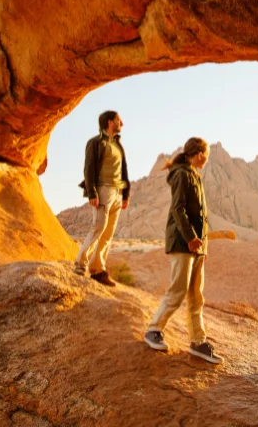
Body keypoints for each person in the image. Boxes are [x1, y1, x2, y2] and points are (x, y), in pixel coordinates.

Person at [143, 137, 222, 364]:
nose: (206, 159)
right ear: (197, 153)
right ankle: (153, 330)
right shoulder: (181, 175)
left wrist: (202, 245)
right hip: (182, 243)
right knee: (177, 291)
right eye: (205, 154)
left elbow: (200, 216)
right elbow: (178, 210)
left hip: (196, 246)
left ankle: (198, 342)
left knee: (196, 297)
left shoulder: (194, 175)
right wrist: (190, 238)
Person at [75, 110, 131, 287]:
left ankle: (98, 270)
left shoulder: (118, 145)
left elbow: (124, 171)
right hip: (103, 190)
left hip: (117, 192)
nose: (122, 123)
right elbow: (89, 168)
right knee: (98, 227)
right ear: (109, 122)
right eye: (119, 120)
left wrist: (126, 194)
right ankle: (80, 264)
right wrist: (92, 193)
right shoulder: (96, 142)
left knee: (108, 234)